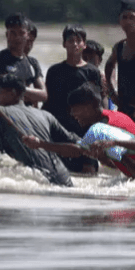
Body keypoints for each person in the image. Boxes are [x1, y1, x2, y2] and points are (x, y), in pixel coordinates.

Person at [25, 83, 135, 176]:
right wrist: (102, 157)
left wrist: (40, 144)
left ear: (91, 106)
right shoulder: (113, 115)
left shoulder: (103, 127)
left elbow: (75, 151)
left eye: (76, 108)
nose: (72, 114)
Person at [42, 25, 104, 172]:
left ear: (84, 44)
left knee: (89, 171)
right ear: (64, 44)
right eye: (70, 40)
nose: (75, 44)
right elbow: (48, 102)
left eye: (78, 40)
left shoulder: (92, 72)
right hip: (60, 129)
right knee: (60, 171)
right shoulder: (54, 71)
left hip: (85, 130)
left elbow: (98, 105)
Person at [0, 13, 47, 114]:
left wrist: (21, 89)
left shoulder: (32, 63)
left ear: (27, 36)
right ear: (7, 35)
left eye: (21, 33)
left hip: (24, 116)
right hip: (1, 115)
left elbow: (43, 95)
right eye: (13, 33)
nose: (17, 38)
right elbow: (5, 92)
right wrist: (27, 94)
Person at [83, 39, 115, 110]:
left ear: (100, 60)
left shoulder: (103, 79)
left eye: (91, 58)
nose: (87, 61)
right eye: (84, 58)